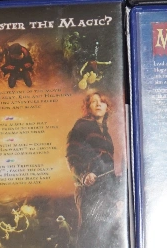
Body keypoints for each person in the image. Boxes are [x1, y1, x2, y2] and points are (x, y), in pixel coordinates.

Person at [66, 92, 122, 248]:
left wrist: (117, 192)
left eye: (102, 101)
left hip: (107, 190)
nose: (98, 104)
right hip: (90, 189)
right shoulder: (81, 126)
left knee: (109, 234)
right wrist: (83, 175)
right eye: (93, 102)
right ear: (88, 107)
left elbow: (108, 164)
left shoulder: (106, 133)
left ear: (107, 107)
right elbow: (72, 156)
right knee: (91, 234)